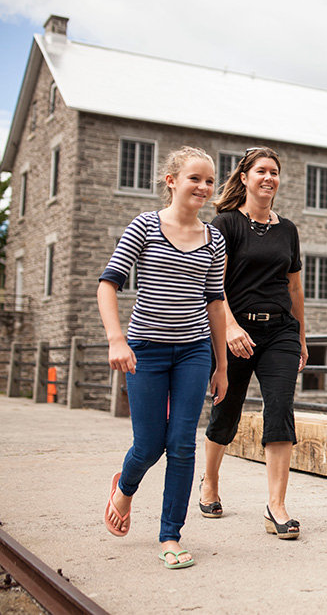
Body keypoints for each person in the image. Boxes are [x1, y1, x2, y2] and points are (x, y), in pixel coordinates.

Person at [99, 146, 228, 569]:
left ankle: (171, 534)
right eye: (195, 178)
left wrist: (221, 365)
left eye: (209, 181)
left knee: (182, 444)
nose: (204, 187)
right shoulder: (145, 226)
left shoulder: (215, 239)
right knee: (149, 443)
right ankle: (125, 487)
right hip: (146, 352)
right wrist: (117, 339)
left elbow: (214, 303)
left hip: (193, 353)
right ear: (171, 181)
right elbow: (108, 284)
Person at [199, 146, 307, 540]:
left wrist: (300, 335)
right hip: (236, 330)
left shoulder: (288, 230)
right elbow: (214, 285)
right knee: (226, 411)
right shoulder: (225, 224)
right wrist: (228, 327)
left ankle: (276, 507)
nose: (269, 178)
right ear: (244, 177)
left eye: (274, 172)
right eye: (261, 170)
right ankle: (209, 483)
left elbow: (294, 287)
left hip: (279, 331)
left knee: (280, 410)